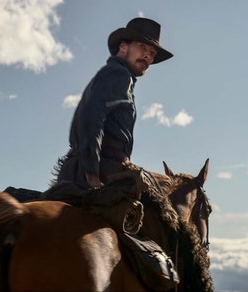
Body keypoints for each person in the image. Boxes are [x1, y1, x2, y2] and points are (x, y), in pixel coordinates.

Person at [55, 17, 174, 190]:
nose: (148, 56)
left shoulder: (117, 76)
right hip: (101, 169)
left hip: (84, 167)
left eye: (152, 53)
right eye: (142, 47)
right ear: (123, 47)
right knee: (159, 202)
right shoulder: (119, 74)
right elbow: (92, 118)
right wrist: (92, 173)